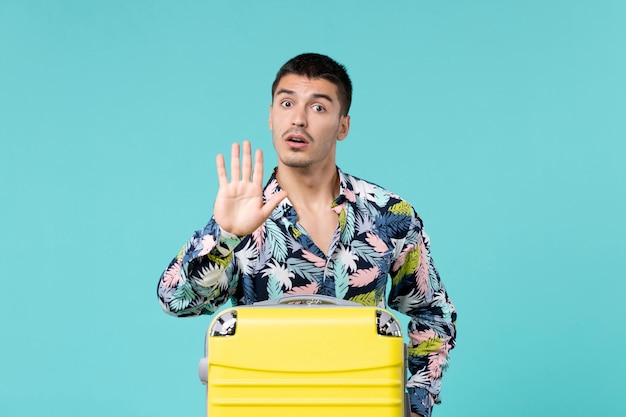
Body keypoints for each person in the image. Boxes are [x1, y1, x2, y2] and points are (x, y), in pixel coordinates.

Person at [157, 53, 456, 417]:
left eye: (318, 107)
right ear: (270, 116)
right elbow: (177, 300)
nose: (298, 118)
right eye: (286, 103)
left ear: (342, 126)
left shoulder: (389, 215)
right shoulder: (243, 218)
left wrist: (415, 405)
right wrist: (224, 235)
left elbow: (433, 314)